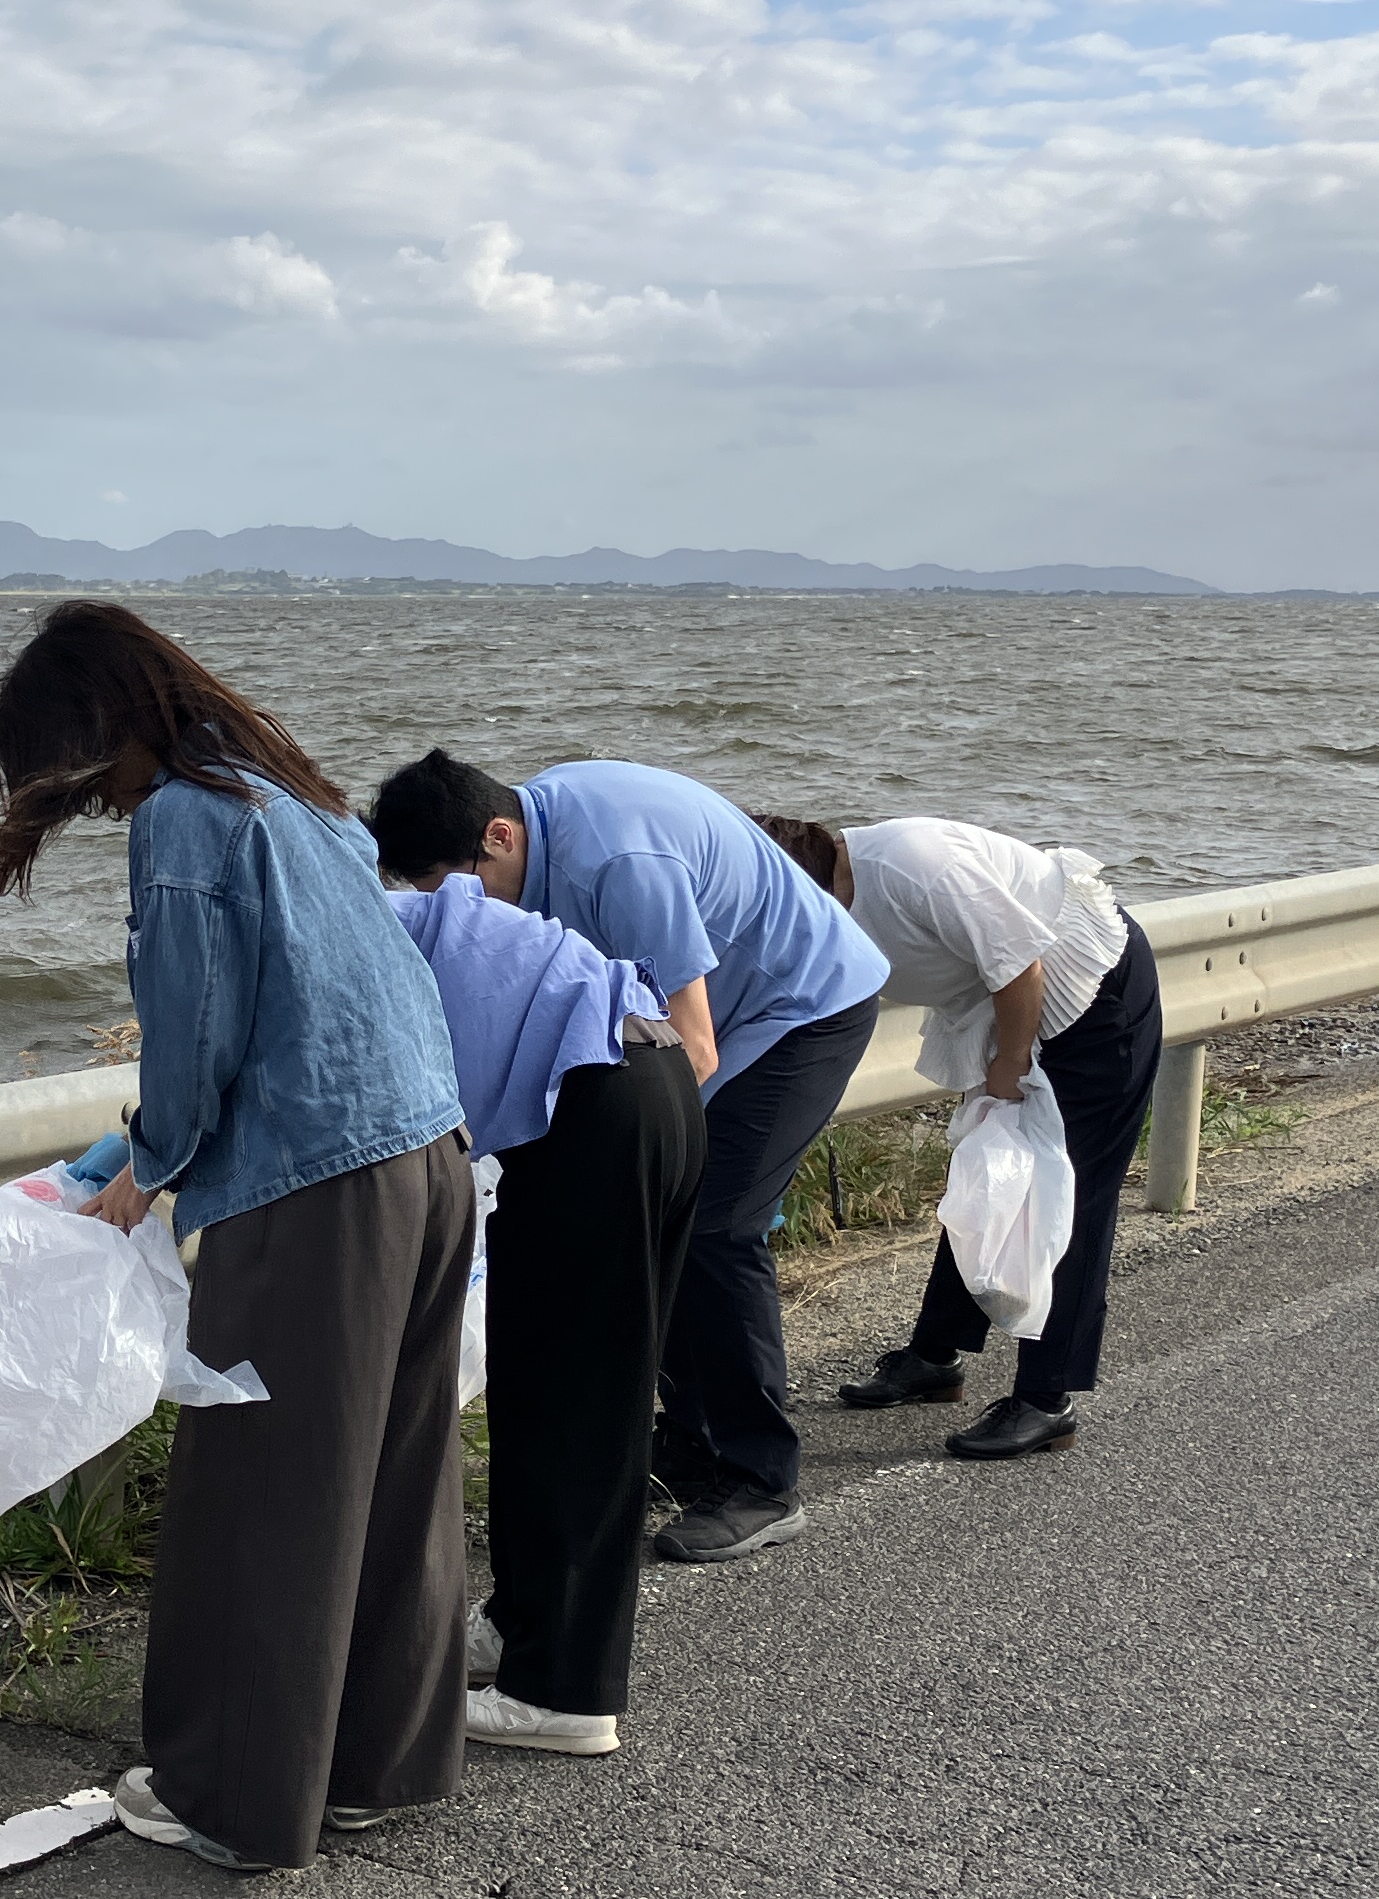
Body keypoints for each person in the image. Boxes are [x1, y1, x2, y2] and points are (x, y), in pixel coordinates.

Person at [0, 602, 471, 1874]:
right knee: (394, 1479)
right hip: (430, 1158)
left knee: (267, 1490)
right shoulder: (297, 797)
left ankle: (236, 1800)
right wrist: (144, 1146)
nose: (92, 803)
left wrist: (151, 1161)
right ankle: (375, 1767)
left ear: (104, 727)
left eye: (73, 771)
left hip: (316, 1189)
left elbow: (197, 1030)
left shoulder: (187, 820)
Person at [368, 753, 886, 1562]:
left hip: (802, 1006)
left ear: (498, 837)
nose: (461, 914)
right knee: (663, 1212)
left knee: (714, 1227)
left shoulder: (617, 861)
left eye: (459, 889)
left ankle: (762, 1479)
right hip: (730, 1013)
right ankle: (691, 1440)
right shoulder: (535, 838)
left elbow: (694, 1051)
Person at [381, 874, 705, 1757]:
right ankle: (520, 1624)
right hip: (642, 1079)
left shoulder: (343, 931)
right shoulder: (407, 913)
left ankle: (564, 1691)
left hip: (596, 1102)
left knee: (577, 1405)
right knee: (537, 1386)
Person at [754, 812, 1161, 1460]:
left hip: (1091, 989)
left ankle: (1046, 1400)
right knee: (986, 1179)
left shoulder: (916, 863)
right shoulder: (827, 892)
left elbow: (1022, 965)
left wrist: (1010, 1065)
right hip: (1007, 1007)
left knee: (1066, 1197)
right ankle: (935, 1358)